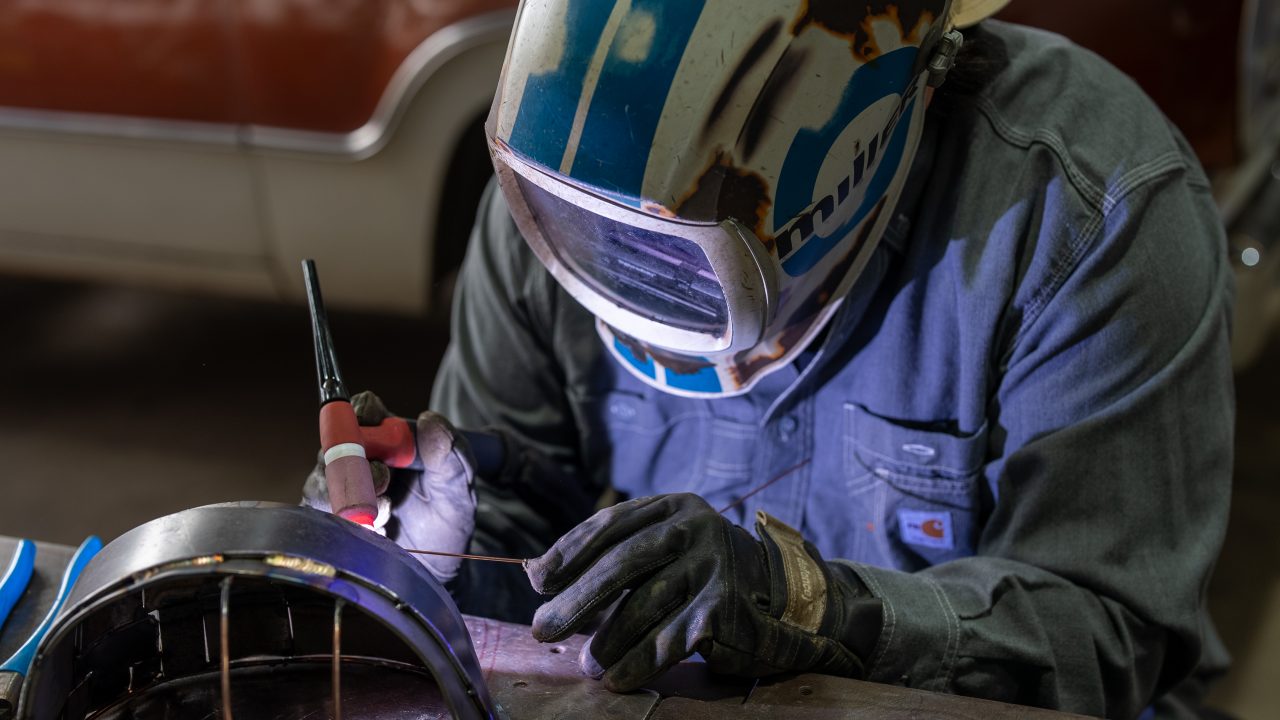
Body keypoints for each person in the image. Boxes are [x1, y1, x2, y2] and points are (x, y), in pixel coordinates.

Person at [305, 1, 1235, 717]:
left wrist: (808, 605)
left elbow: (1105, 634)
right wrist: (439, 550)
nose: (623, 281)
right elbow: (531, 538)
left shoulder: (1084, 212)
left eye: (674, 250)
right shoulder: (550, 198)